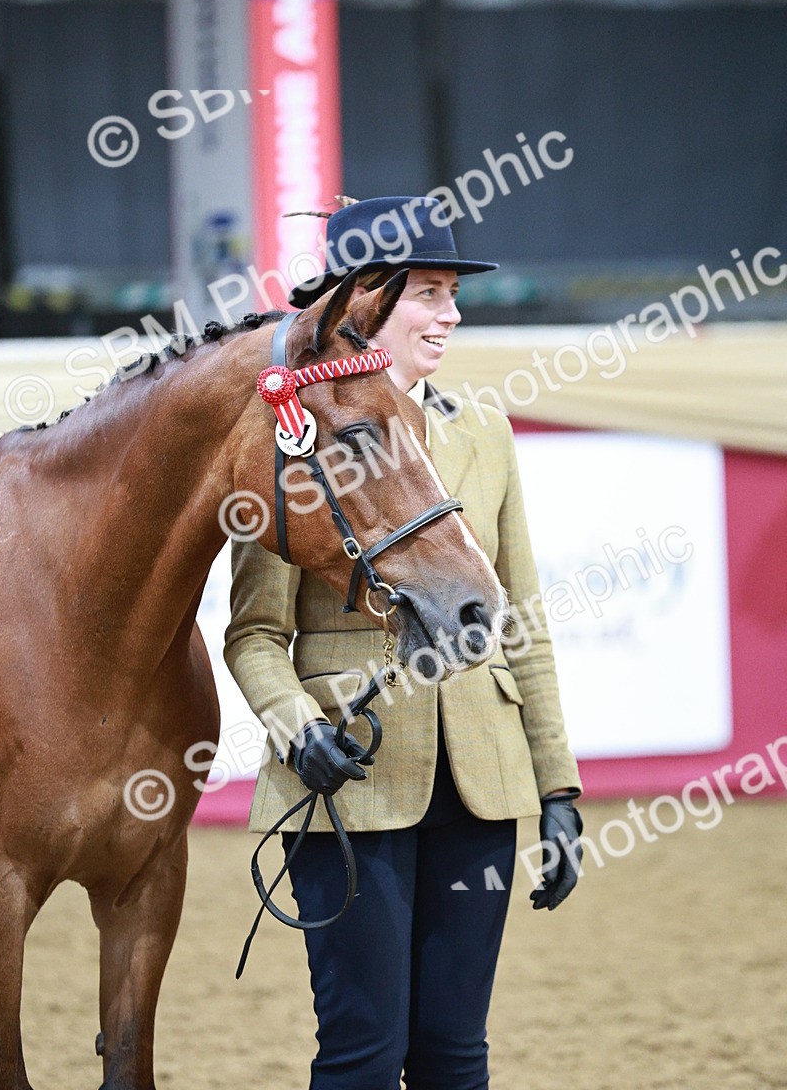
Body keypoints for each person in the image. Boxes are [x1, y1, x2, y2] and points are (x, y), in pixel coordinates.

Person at [224, 196, 582, 1090]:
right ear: (365, 305)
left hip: (481, 792)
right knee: (360, 1058)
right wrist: (296, 726)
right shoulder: (288, 438)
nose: (452, 313)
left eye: (453, 293)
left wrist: (560, 787)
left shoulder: (484, 433)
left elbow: (519, 620)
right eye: (429, 292)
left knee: (457, 1058)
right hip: (350, 785)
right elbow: (257, 633)